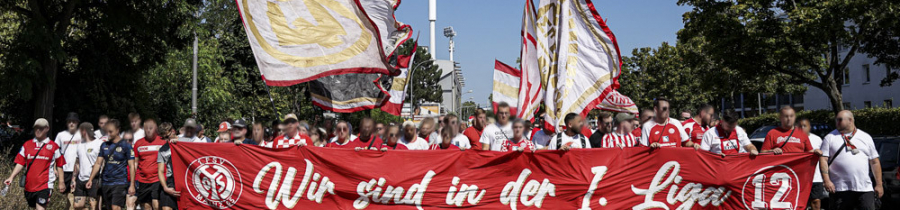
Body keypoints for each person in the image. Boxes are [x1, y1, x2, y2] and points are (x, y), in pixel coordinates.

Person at [819, 110, 882, 210]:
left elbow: (874, 162)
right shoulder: (830, 138)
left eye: (840, 120)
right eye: (836, 120)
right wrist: (826, 181)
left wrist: (879, 184)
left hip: (864, 188)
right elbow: (823, 160)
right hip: (839, 188)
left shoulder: (865, 137)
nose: (837, 122)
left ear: (850, 120)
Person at [3, 118, 66, 210]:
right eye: (36, 128)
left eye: (41, 128)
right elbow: (20, 163)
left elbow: (60, 164)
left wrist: (61, 181)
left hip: (45, 185)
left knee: (40, 208)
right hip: (29, 186)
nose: (38, 130)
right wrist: (11, 177)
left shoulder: (53, 146)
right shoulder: (27, 145)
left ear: (47, 129)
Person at [87, 119, 135, 210]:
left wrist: (132, 184)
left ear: (117, 130)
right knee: (109, 207)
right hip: (106, 182)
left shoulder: (126, 145)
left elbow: (132, 166)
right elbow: (98, 163)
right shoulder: (104, 145)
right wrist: (90, 179)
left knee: (116, 207)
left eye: (111, 131)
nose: (108, 133)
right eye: (107, 131)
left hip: (120, 182)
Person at [132, 119, 166, 210]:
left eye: (151, 128)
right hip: (143, 180)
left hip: (158, 179)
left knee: (156, 204)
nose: (148, 130)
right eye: (146, 128)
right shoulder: (138, 143)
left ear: (156, 129)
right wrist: (133, 180)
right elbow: (135, 162)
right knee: (147, 206)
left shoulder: (163, 142)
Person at [799, 117, 827, 210]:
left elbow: (824, 158)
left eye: (805, 126)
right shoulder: (792, 140)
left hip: (815, 177)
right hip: (799, 177)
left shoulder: (817, 139)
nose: (802, 128)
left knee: (816, 201)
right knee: (801, 202)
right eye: (800, 126)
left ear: (809, 127)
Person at [55, 112, 82, 209]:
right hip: (65, 169)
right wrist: (55, 168)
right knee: (67, 196)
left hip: (79, 169)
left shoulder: (82, 135)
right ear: (67, 123)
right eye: (70, 121)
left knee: (73, 195)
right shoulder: (60, 135)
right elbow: (56, 153)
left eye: (74, 122)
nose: (71, 124)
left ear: (77, 123)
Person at [74, 122, 102, 210]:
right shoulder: (79, 144)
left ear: (84, 131)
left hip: (94, 179)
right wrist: (73, 179)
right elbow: (77, 162)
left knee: (93, 207)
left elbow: (101, 163)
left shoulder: (99, 143)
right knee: (77, 206)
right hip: (80, 179)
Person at [157, 122, 184, 210]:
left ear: (173, 131)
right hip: (171, 179)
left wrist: (179, 143)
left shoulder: (186, 141)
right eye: (163, 138)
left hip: (185, 177)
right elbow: (160, 171)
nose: (166, 139)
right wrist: (165, 188)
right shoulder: (162, 150)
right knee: (165, 207)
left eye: (167, 136)